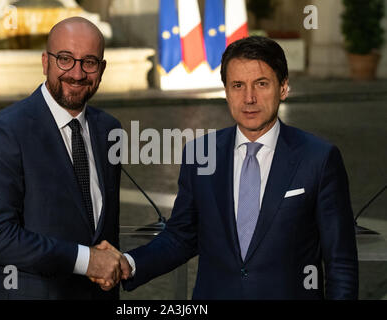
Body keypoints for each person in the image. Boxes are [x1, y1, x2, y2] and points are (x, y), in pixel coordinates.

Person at [95, 36, 359, 299]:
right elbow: (181, 237)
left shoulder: (319, 158)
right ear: (226, 91)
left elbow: (341, 263)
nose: (249, 98)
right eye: (237, 85)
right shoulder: (200, 154)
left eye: (261, 84)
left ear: (283, 87)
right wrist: (129, 264)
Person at [0, 17, 130, 300]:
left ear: (102, 69)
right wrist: (87, 260)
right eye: (65, 59)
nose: (77, 73)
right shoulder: (6, 131)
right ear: (46, 62)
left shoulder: (109, 129)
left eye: (89, 62)